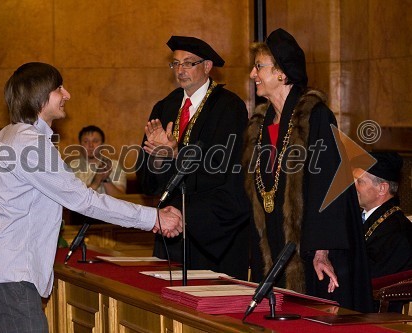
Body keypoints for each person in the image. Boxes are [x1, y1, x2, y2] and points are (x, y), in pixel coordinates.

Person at [0, 62, 182, 333]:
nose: (67, 94)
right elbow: (85, 201)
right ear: (39, 97)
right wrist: (153, 218)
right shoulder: (30, 145)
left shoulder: (3, 138)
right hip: (14, 275)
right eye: (59, 88)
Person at [243, 28, 373, 312]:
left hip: (311, 248)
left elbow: (329, 185)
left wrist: (322, 249)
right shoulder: (260, 125)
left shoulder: (315, 116)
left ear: (282, 73)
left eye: (259, 67)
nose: (253, 74)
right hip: (273, 244)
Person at [135, 36, 250, 279]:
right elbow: (147, 182)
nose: (180, 70)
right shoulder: (165, 106)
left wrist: (175, 154)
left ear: (207, 66)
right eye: (175, 64)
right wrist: (158, 158)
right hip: (171, 228)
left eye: (188, 63)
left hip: (213, 231)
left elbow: (220, 169)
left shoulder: (229, 107)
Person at [353, 152, 412, 279]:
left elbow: (372, 280)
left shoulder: (397, 233)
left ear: (382, 189)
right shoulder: (357, 217)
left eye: (360, 182)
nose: (352, 186)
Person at [70, 125, 127, 196]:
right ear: (80, 144)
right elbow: (72, 198)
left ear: (102, 145)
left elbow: (121, 198)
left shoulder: (114, 165)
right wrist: (96, 182)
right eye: (86, 141)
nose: (90, 145)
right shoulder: (71, 167)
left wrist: (105, 179)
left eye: (95, 141)